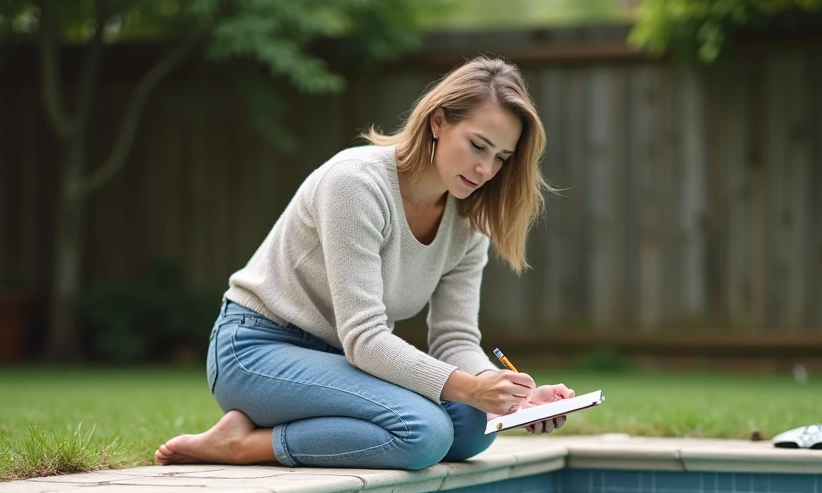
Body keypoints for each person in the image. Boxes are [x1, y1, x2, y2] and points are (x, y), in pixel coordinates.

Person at [156, 56, 574, 471]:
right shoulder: (356, 184)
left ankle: (289, 425)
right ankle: (241, 443)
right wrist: (473, 389)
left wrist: (509, 397)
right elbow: (365, 339)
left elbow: (455, 340)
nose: (486, 169)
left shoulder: (468, 221)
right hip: (257, 349)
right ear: (438, 122)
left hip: (342, 360)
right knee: (423, 433)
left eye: (501, 157)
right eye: (478, 145)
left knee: (471, 426)